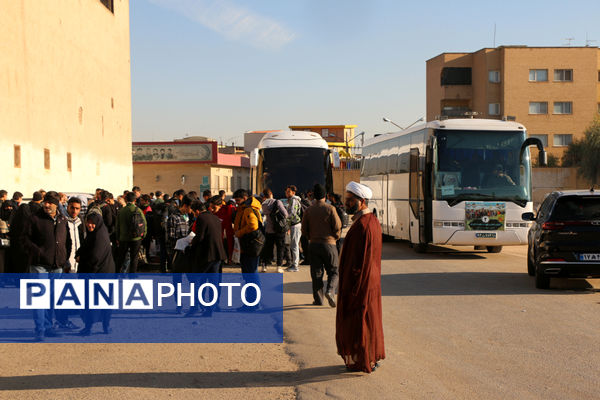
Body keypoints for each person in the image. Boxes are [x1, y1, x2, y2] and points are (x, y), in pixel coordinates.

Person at [336, 182, 385, 373]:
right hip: (367, 281)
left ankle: (365, 359)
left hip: (361, 283)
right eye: (345, 200)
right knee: (366, 320)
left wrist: (352, 286)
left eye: (350, 201)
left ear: (362, 201)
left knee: (360, 322)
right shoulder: (369, 221)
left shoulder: (364, 225)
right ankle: (367, 357)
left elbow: (360, 261)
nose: (346, 204)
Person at [22, 191, 72, 341]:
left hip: (57, 265)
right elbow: (23, 239)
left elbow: (67, 241)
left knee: (51, 298)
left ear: (56, 205)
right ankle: (40, 329)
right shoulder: (35, 219)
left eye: (50, 202)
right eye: (45, 202)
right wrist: (38, 252)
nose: (46, 204)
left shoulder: (63, 219)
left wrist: (64, 257)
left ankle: (49, 327)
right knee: (39, 298)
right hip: (39, 265)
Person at [301, 184, 341, 307]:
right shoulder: (330, 209)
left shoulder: (308, 210)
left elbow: (304, 229)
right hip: (329, 244)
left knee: (316, 273)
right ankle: (330, 290)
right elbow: (337, 226)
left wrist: (311, 238)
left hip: (313, 245)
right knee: (334, 271)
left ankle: (318, 300)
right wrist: (335, 237)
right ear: (325, 196)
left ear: (314, 196)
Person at [76, 212, 116, 336]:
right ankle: (105, 326)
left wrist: (81, 259)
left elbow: (95, 257)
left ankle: (90, 327)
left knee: (91, 302)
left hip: (98, 273)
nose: (90, 225)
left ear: (97, 223)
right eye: (88, 222)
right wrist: (79, 253)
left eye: (92, 223)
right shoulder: (96, 233)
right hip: (102, 273)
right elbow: (85, 247)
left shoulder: (99, 237)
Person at [186, 200, 227, 317]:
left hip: (205, 255)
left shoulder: (201, 219)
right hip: (217, 254)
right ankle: (210, 308)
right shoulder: (215, 218)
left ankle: (194, 307)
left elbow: (200, 237)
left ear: (197, 211)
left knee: (196, 281)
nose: (194, 214)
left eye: (194, 212)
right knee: (213, 283)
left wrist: (190, 242)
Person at [232, 189, 264, 275]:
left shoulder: (248, 209)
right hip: (248, 244)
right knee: (248, 271)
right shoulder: (245, 208)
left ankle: (253, 288)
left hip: (250, 244)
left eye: (238, 200)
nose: (237, 203)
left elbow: (253, 225)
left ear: (245, 198)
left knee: (251, 271)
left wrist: (239, 232)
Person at [115, 192, 147, 273]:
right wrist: (143, 235)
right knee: (134, 258)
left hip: (123, 238)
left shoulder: (121, 211)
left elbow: (117, 226)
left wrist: (117, 237)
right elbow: (144, 224)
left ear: (125, 199)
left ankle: (116, 274)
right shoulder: (138, 210)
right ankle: (132, 277)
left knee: (121, 257)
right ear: (135, 200)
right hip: (136, 237)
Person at [260, 188, 288, 273]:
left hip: (269, 229)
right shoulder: (277, 202)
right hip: (279, 229)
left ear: (264, 196)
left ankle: (264, 266)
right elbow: (285, 214)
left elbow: (265, 214)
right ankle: (278, 266)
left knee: (268, 248)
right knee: (280, 248)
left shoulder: (264, 204)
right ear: (271, 193)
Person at [166, 195, 192, 270]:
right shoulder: (173, 217)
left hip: (186, 250)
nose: (191, 210)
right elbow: (170, 237)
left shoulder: (187, 216)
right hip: (176, 252)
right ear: (185, 206)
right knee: (177, 275)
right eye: (191, 207)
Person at [284, 185, 302, 272]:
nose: (286, 193)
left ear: (293, 193)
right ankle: (294, 264)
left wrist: (285, 219)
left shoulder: (294, 200)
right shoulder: (291, 200)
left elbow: (293, 213)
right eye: (286, 191)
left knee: (295, 246)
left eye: (288, 191)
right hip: (293, 225)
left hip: (295, 225)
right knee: (293, 246)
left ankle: (295, 266)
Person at [65, 197, 85, 273]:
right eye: (72, 208)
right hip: (66, 259)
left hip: (78, 258)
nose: (74, 211)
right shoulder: (62, 221)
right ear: (68, 207)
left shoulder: (80, 221)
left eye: (77, 208)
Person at [216, 191, 235, 264]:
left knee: (224, 245)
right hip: (228, 231)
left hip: (223, 231)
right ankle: (229, 259)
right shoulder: (229, 208)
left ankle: (226, 259)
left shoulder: (221, 209)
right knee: (228, 246)